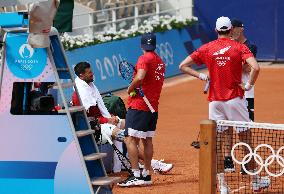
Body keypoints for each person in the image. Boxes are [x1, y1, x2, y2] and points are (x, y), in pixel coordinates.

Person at [179, 16, 269, 192]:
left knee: (217, 144)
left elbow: (183, 65)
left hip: (215, 103)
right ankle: (256, 180)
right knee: (246, 140)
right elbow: (256, 68)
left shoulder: (207, 48)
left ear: (216, 31)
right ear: (230, 30)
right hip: (235, 99)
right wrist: (249, 85)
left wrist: (202, 76)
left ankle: (222, 186)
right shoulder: (239, 47)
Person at [73, 61, 172, 174]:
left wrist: (110, 117)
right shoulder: (80, 93)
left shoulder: (89, 86)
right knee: (127, 138)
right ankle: (153, 164)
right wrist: (108, 120)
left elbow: (98, 111)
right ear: (81, 75)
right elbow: (88, 119)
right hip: (94, 129)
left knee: (132, 126)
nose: (92, 74)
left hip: (102, 123)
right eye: (89, 73)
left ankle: (129, 160)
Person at [117, 33, 166, 187]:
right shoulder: (160, 62)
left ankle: (136, 174)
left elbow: (140, 77)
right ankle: (146, 173)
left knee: (130, 139)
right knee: (147, 140)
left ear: (141, 46)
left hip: (139, 106)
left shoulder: (144, 59)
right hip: (152, 107)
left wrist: (130, 87)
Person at [231, 18, 257, 121]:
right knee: (228, 124)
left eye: (233, 28)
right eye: (230, 29)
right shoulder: (229, 45)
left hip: (246, 90)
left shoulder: (251, 47)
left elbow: (247, 68)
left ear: (241, 29)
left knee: (248, 123)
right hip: (230, 90)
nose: (231, 31)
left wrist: (228, 65)